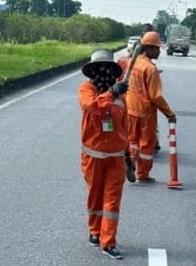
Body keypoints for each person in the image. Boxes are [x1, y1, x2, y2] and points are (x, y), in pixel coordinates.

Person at [78, 49, 130, 259]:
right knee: (95, 196)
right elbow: (92, 106)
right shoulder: (86, 89)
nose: (105, 73)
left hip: (115, 158)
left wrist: (128, 156)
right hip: (92, 157)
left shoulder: (120, 96)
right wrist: (112, 93)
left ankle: (108, 241)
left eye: (109, 69)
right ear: (92, 73)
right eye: (100, 69)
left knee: (112, 200)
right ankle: (95, 230)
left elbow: (123, 128)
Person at [126, 31, 176, 183]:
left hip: (130, 108)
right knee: (146, 146)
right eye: (157, 48)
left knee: (132, 141)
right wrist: (169, 113)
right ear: (149, 48)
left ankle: (130, 163)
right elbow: (155, 96)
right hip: (145, 113)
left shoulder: (133, 63)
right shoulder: (150, 69)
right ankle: (143, 174)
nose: (159, 51)